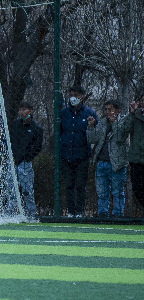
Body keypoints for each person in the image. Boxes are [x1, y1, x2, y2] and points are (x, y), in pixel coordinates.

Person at [87, 100, 128, 217]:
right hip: (101, 162)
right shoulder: (102, 123)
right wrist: (91, 127)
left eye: (110, 109)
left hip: (117, 163)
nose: (107, 112)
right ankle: (102, 213)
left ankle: (118, 214)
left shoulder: (123, 121)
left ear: (117, 110)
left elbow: (120, 138)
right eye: (105, 109)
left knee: (117, 192)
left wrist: (114, 123)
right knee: (101, 192)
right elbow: (92, 140)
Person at [60, 86, 97, 217]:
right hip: (66, 155)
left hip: (82, 156)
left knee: (81, 185)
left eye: (75, 95)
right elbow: (59, 132)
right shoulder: (63, 113)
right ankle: (70, 211)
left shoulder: (90, 113)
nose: (72, 98)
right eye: (71, 95)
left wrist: (92, 125)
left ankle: (80, 211)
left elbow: (95, 135)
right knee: (68, 185)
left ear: (82, 96)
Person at [9, 102, 45, 219]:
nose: (22, 112)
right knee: (11, 189)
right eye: (20, 110)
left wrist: (27, 157)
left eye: (24, 109)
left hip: (25, 163)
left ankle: (31, 214)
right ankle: (9, 213)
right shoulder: (14, 125)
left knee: (27, 190)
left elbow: (37, 147)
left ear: (31, 111)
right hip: (13, 161)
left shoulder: (37, 128)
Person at [117, 92, 144, 212]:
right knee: (137, 189)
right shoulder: (135, 116)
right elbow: (123, 132)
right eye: (142, 100)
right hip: (136, 159)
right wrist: (131, 115)